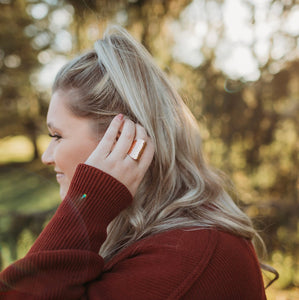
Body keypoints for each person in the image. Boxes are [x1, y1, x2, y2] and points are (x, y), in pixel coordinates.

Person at [0, 25, 276, 299]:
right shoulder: (159, 239)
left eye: (57, 136)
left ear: (122, 140)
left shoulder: (186, 255)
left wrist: (88, 203)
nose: (46, 157)